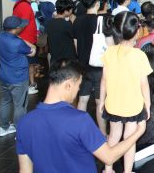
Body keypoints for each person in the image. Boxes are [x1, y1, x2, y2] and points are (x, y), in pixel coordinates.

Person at [16, 60, 146, 173]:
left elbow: (25, 170)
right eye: (78, 86)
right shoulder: (79, 120)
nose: (78, 91)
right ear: (68, 85)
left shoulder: (24, 123)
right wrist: (138, 131)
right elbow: (109, 157)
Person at [100, 12, 152, 173]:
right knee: (129, 140)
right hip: (133, 106)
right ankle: (127, 171)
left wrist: (101, 101)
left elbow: (104, 80)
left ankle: (108, 168)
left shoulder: (109, 52)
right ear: (137, 31)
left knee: (113, 135)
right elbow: (144, 85)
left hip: (113, 103)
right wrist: (148, 105)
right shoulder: (140, 55)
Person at [74, 0, 109, 134]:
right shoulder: (100, 21)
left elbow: (75, 43)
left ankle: (79, 132)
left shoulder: (77, 20)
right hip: (98, 66)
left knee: (82, 99)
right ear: (97, 4)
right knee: (99, 101)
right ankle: (102, 134)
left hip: (82, 65)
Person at [0, 16, 36, 137]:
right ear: (16, 28)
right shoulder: (17, 43)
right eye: (21, 26)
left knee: (5, 101)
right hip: (18, 79)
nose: (22, 27)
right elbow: (32, 52)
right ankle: (20, 132)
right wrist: (33, 46)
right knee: (20, 105)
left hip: (4, 76)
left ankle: (3, 128)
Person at [13, 0, 39, 95]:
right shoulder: (25, 6)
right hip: (26, 40)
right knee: (29, 64)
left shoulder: (20, 3)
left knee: (28, 63)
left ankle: (30, 84)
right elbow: (22, 25)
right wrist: (17, 36)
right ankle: (30, 85)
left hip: (25, 39)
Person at [44, 0, 77, 64]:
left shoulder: (49, 23)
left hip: (55, 58)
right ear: (65, 11)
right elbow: (74, 39)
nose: (71, 11)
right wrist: (73, 22)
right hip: (67, 58)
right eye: (71, 9)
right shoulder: (67, 24)